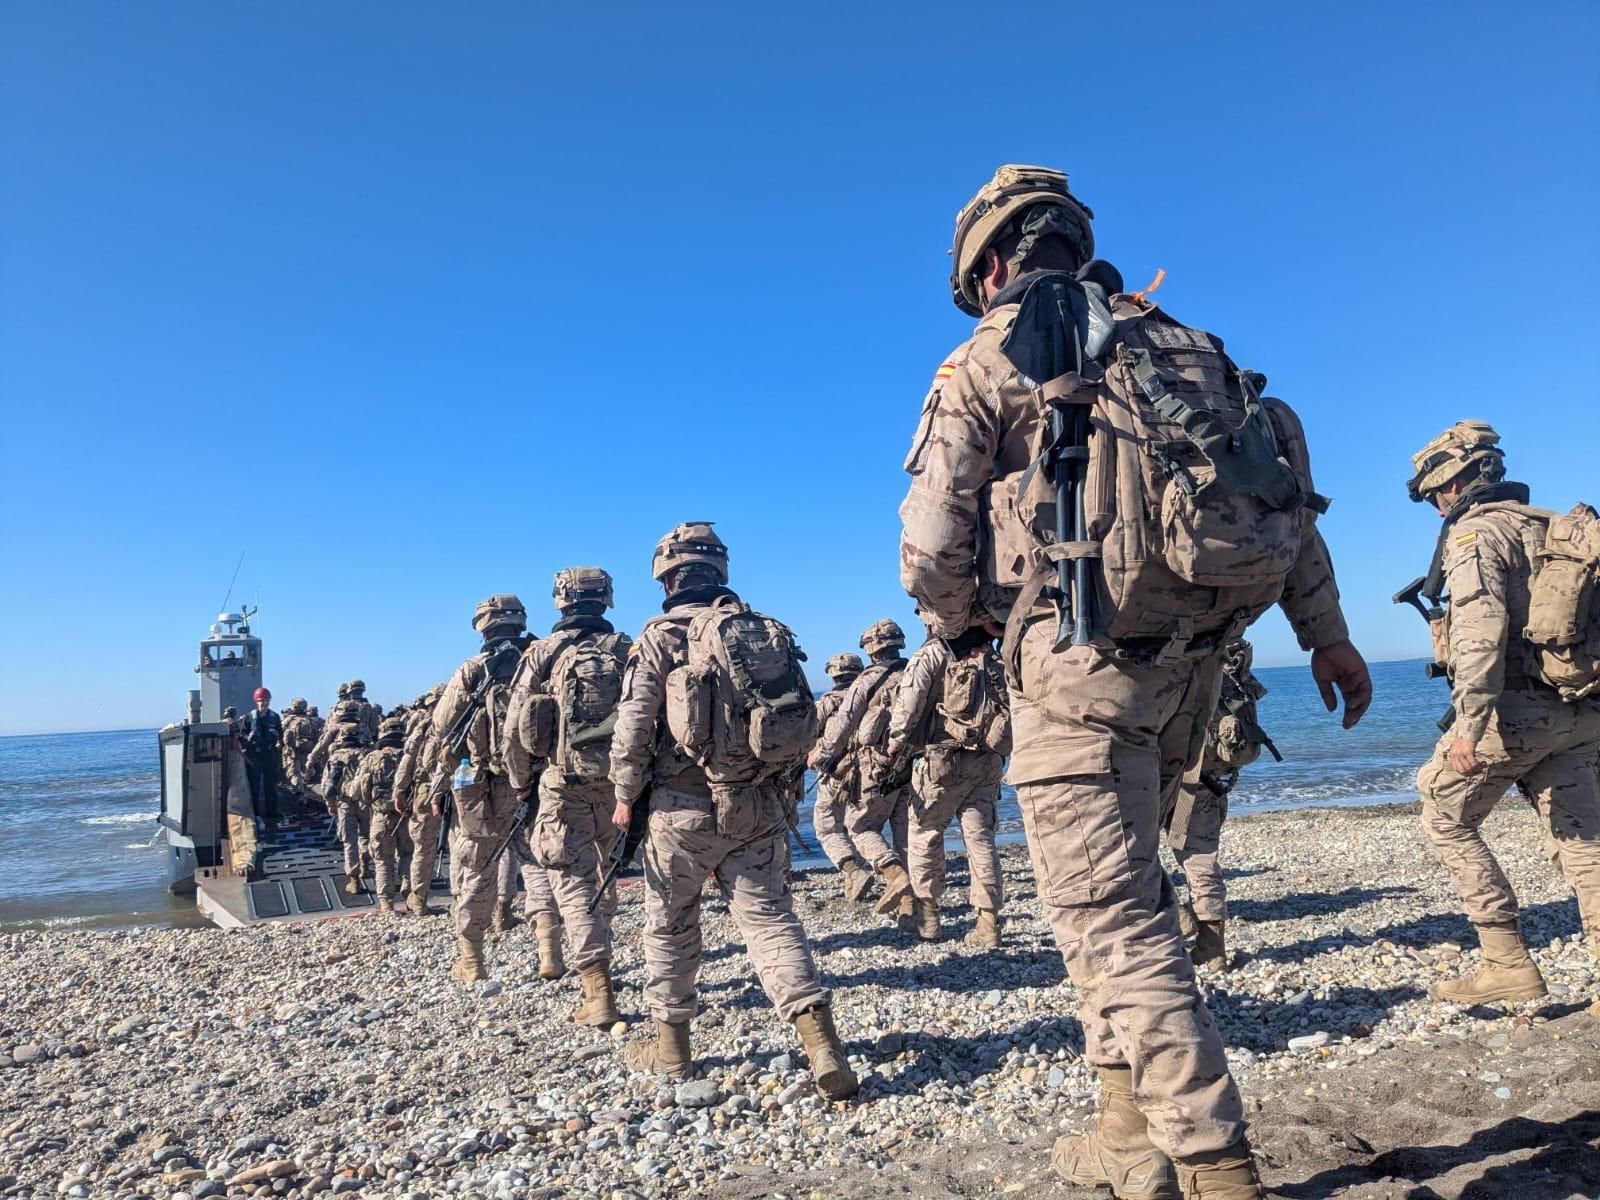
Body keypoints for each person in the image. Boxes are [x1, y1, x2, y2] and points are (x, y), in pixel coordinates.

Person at [898, 163, 1372, 1198]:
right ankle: (1125, 1128)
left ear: (989, 266)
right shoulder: (1186, 346)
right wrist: (1327, 637)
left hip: (1077, 671)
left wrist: (966, 624)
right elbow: (1281, 495)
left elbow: (930, 547)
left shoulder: (985, 359)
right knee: (1121, 894)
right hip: (1192, 671)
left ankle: (1215, 1167)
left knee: (1110, 918)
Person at [609, 522, 857, 1099]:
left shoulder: (658, 638)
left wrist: (624, 796)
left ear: (666, 579)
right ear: (720, 570)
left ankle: (672, 1051)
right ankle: (822, 1044)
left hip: (680, 810)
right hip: (757, 801)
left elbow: (634, 726)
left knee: (670, 924)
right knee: (770, 919)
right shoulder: (760, 630)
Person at [1406, 421, 1600, 1004]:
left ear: (1452, 484)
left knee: (1444, 811)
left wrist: (1469, 727)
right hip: (1582, 707)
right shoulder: (1550, 526)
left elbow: (1479, 637)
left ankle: (1506, 961)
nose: (1437, 505)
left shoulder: (1476, 535)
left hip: (1518, 714)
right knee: (1584, 838)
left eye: (1435, 494)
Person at [505, 566, 632, 1023]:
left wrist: (521, 783)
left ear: (560, 601)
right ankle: (603, 945)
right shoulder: (626, 648)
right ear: (607, 598)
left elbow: (514, 729)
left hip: (563, 784)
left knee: (572, 882)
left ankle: (598, 992)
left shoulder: (542, 653)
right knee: (605, 873)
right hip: (618, 786)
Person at [883, 632, 1010, 948]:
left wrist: (895, 743)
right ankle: (988, 922)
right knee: (981, 837)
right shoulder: (991, 653)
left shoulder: (934, 652)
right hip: (988, 759)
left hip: (942, 761)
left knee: (925, 833)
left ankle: (928, 917)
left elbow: (909, 705)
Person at [434, 594, 531, 983]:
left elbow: (443, 724)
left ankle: (472, 959)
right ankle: (550, 950)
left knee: (477, 867)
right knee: (540, 866)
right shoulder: (539, 659)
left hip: (483, 786)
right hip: (535, 781)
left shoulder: (472, 670)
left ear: (482, 627)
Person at [1163, 639, 1276, 970]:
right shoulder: (1233, 671)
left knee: (1132, 849)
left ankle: (1175, 913)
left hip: (1163, 777)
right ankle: (1212, 948)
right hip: (1209, 780)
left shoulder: (1171, 661)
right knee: (1201, 859)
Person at [809, 620, 915, 924]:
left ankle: (889, 874)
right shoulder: (916, 672)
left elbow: (840, 726)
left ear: (871, 652)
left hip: (869, 768)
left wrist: (819, 755)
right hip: (912, 764)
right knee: (906, 835)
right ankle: (912, 905)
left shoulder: (866, 681)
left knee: (858, 827)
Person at [809, 652, 872, 901]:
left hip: (836, 772)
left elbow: (809, 731)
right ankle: (855, 879)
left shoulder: (828, 701)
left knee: (826, 826)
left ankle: (853, 870)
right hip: (870, 770)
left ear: (834, 676)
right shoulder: (872, 696)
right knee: (855, 823)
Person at [307, 700, 371, 893]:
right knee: (365, 836)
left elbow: (327, 786)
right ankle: (365, 865)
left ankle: (354, 879)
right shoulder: (367, 749)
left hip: (344, 800)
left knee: (349, 840)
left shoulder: (335, 747)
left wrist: (330, 804)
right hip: (365, 800)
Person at [395, 685, 445, 916]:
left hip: (426, 792)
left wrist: (399, 790)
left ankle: (418, 898)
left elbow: (408, 759)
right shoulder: (463, 720)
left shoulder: (424, 727)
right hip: (459, 790)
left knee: (423, 848)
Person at [352, 716, 408, 913]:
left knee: (383, 860)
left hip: (381, 816)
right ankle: (412, 898)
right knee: (409, 856)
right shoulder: (411, 755)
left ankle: (386, 904)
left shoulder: (372, 758)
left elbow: (356, 791)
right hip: (408, 815)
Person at [238, 687, 283, 825]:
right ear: (256, 701)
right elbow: (241, 735)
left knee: (271, 785)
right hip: (254, 754)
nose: (264, 703)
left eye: (266, 700)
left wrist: (277, 737)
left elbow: (281, 734)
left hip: (269, 754)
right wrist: (248, 738)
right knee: (254, 785)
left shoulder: (274, 717)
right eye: (261, 701)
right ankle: (254, 813)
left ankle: (272, 812)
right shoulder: (249, 717)